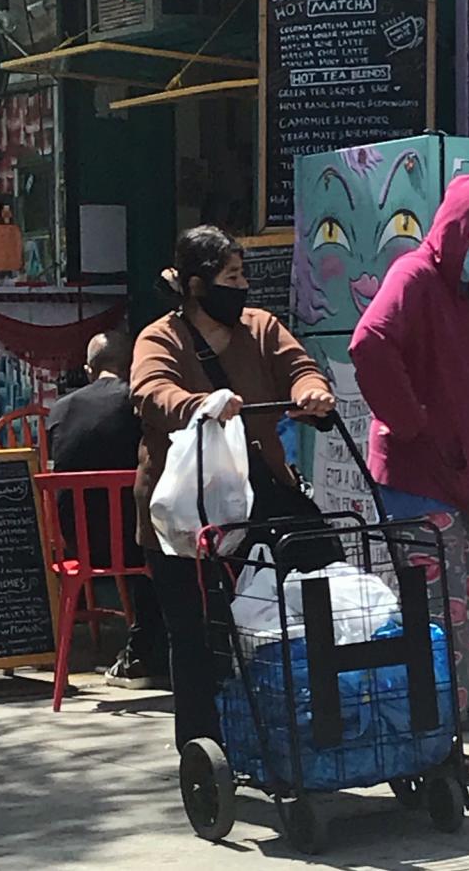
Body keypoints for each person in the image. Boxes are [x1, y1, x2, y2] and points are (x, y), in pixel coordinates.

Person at [131, 225, 335, 753]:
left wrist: (311, 392)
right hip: (187, 510)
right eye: (231, 277)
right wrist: (199, 406)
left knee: (319, 585)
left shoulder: (260, 327)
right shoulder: (161, 338)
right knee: (197, 632)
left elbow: (299, 368)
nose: (242, 286)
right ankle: (204, 749)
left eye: (243, 275)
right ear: (197, 286)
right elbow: (151, 390)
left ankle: (312, 725)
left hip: (264, 490)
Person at [349, 174, 469, 779]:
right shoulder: (416, 276)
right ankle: (427, 745)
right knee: (432, 611)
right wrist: (413, 423)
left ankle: (431, 736)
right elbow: (369, 343)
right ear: (456, 232)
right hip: (419, 476)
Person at [46, 331, 169, 689]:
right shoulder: (139, 403)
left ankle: (140, 652)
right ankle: (152, 652)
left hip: (77, 544)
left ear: (89, 370)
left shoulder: (60, 409)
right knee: (166, 543)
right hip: (136, 542)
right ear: (132, 367)